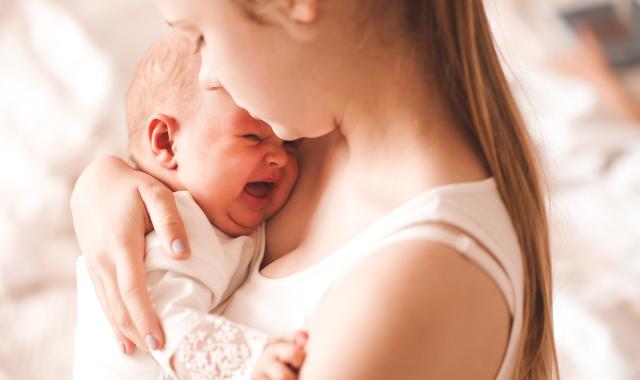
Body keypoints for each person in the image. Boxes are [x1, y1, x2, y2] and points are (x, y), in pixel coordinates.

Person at [70, 1, 559, 378]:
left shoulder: (412, 284)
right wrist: (106, 182)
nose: (207, 75)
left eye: (201, 38)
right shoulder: (305, 140)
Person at [73, 33, 304, 379]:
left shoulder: (216, 219)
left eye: (289, 144)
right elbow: (157, 316)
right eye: (252, 137)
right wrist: (247, 360)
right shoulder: (175, 222)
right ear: (166, 142)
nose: (278, 159)